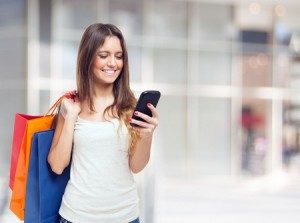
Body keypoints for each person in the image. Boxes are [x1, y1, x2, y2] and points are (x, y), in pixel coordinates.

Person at [47, 23, 159, 223]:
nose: (113, 63)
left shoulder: (130, 107)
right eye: (104, 55)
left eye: (118, 56)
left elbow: (136, 166)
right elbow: (57, 165)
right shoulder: (71, 105)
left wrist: (147, 135)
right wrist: (71, 117)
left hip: (125, 216)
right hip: (76, 216)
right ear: (88, 58)